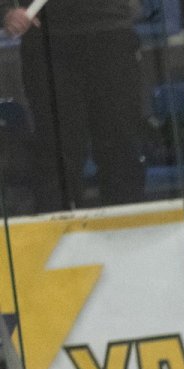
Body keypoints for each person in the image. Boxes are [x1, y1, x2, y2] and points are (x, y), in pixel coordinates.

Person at [5, 0, 146, 211]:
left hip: (111, 35)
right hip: (47, 42)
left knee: (121, 147)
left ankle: (129, 231)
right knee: (57, 154)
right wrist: (6, 12)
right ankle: (59, 235)